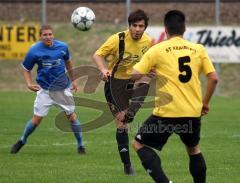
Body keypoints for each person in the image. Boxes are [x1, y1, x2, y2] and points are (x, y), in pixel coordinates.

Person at [130, 10, 218, 183]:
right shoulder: (198, 49)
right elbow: (213, 78)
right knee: (193, 149)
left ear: (165, 29)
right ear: (184, 28)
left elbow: (134, 74)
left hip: (167, 112)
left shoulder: (157, 49)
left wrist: (148, 71)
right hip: (192, 111)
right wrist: (205, 103)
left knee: (138, 143)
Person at [93, 9, 152, 175]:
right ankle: (127, 166)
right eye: (135, 25)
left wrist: (152, 68)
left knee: (146, 78)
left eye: (141, 26)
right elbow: (97, 55)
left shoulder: (148, 41)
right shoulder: (117, 39)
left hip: (133, 79)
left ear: (145, 28)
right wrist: (103, 69)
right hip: (115, 84)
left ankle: (132, 110)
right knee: (122, 123)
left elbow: (149, 61)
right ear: (129, 26)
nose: (138, 29)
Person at [10, 25, 86, 154]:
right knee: (36, 120)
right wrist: (29, 83)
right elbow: (26, 69)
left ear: (53, 35)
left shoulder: (63, 47)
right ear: (40, 36)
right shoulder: (34, 51)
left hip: (62, 90)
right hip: (44, 91)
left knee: (72, 117)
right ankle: (22, 140)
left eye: (50, 34)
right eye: (45, 35)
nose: (48, 37)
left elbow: (68, 63)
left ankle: (80, 145)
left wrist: (73, 80)